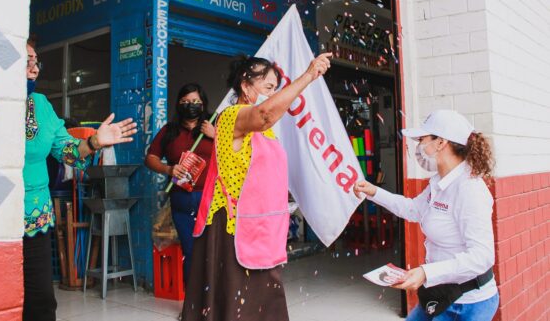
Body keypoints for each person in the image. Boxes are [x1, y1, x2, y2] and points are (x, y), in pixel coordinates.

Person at [180, 52, 332, 321]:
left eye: (275, 89)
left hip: (261, 227)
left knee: (263, 299)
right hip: (232, 229)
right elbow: (264, 114)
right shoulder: (232, 116)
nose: (272, 95)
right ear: (245, 86)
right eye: (269, 88)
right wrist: (308, 76)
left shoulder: (265, 131)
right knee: (239, 302)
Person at [23, 41, 137, 321]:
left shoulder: (41, 106)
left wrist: (95, 142)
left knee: (40, 301)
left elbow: (68, 153)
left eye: (36, 60)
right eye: (25, 60)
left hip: (34, 216)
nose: (34, 67)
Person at [354, 109, 499, 321]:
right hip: (440, 295)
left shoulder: (469, 189)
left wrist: (426, 273)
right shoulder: (438, 183)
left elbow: (482, 256)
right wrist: (374, 192)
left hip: (469, 304)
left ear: (441, 143)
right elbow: (412, 209)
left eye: (422, 139)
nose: (419, 147)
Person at [144, 83, 215, 286]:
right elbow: (151, 158)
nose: (190, 105)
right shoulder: (169, 131)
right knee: (191, 249)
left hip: (211, 197)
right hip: (182, 199)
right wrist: (168, 169)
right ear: (178, 105)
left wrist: (216, 134)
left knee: (213, 249)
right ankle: (192, 302)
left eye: (195, 102)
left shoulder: (213, 124)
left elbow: (236, 150)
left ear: (203, 104)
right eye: (185, 102)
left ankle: (214, 300)